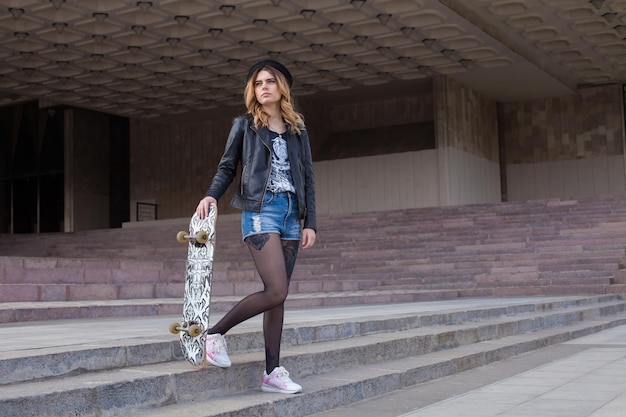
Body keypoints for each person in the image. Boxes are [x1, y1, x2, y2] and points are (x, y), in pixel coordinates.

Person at [195, 60, 316, 394]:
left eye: (270, 82)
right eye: (258, 82)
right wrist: (211, 196)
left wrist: (311, 223)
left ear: (281, 89)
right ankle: (214, 334)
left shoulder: (296, 130)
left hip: (292, 215)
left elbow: (307, 176)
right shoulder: (245, 125)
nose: (263, 87)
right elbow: (227, 167)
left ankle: (272, 372)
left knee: (277, 299)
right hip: (261, 211)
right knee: (276, 290)